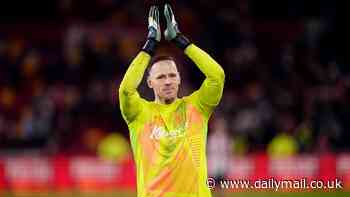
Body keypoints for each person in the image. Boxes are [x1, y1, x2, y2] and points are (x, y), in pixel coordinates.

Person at [119, 3, 225, 197]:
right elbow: (126, 90)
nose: (167, 81)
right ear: (149, 82)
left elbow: (217, 76)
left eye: (172, 75)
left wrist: (180, 40)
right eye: (160, 77)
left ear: (179, 78)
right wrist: (150, 45)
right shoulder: (139, 114)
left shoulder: (197, 107)